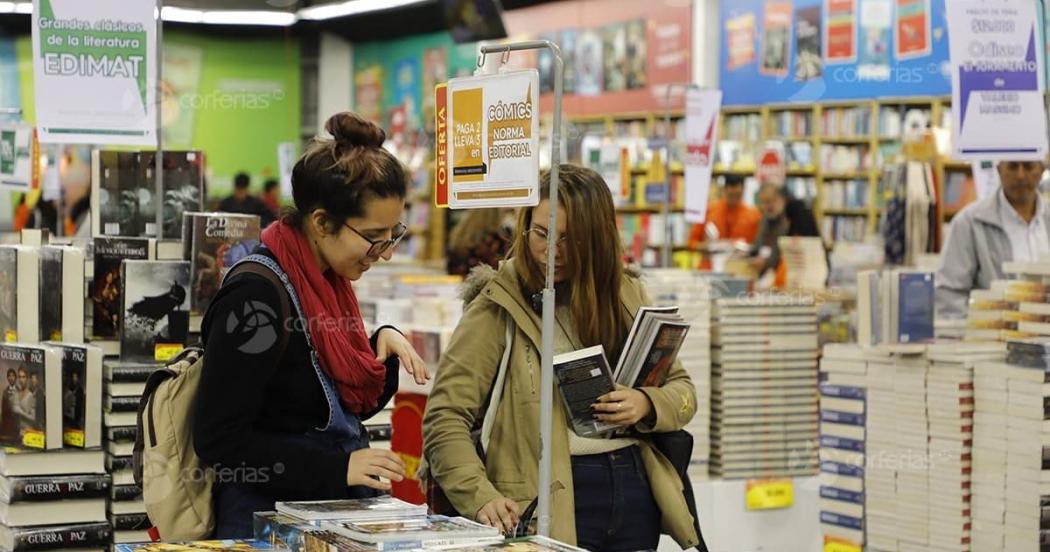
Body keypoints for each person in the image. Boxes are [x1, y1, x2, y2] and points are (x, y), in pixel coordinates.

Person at [422, 165, 701, 551]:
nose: (552, 251)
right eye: (542, 233)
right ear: (525, 226)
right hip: (546, 498)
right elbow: (445, 416)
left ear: (599, 239)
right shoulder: (498, 305)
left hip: (634, 490)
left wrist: (645, 403)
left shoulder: (624, 294)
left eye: (572, 240)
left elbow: (683, 390)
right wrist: (479, 495)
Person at [194, 112, 429, 538]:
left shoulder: (330, 286)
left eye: (393, 234)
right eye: (375, 236)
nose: (386, 252)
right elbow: (220, 442)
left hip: (329, 514)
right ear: (321, 222)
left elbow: (329, 407)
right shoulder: (257, 299)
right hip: (267, 523)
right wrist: (339, 467)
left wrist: (380, 344)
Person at [936, 160, 1050, 318]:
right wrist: (974, 333)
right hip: (990, 339)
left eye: (1029, 166)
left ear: (1042, 168)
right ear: (998, 169)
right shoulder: (969, 223)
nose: (1020, 175)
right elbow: (949, 295)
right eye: (1012, 166)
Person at [749, 183, 821, 283]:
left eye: (770, 201)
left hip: (792, 273)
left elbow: (781, 247)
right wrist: (751, 253)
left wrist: (766, 262)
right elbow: (759, 242)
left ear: (782, 199)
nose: (766, 206)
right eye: (763, 202)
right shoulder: (766, 217)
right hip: (769, 274)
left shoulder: (792, 217)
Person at [688, 174, 762, 247]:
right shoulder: (708, 210)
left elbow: (759, 244)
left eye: (737, 195)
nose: (734, 199)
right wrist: (703, 247)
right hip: (711, 257)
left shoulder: (754, 214)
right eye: (730, 195)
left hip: (741, 258)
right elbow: (692, 242)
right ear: (723, 190)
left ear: (743, 191)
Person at [446, 208, 514, 277]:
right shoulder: (497, 240)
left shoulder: (460, 235)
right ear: (497, 214)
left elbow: (452, 268)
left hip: (460, 284)